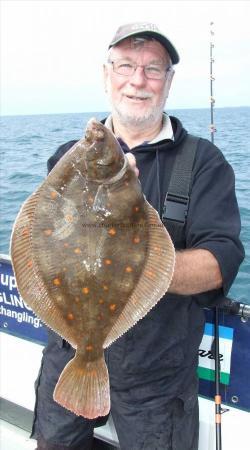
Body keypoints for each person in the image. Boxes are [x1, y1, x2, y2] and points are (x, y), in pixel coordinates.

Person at [31, 22, 244, 450]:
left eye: (152, 69)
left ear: (168, 82)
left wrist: (136, 257)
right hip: (70, 354)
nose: (137, 80)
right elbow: (42, 244)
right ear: (107, 74)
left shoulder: (204, 162)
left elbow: (222, 259)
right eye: (126, 65)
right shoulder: (66, 157)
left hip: (156, 373)